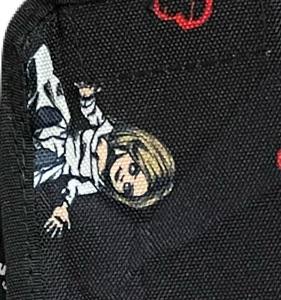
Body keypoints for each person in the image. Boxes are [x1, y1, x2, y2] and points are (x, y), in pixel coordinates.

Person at [28, 43, 175, 234]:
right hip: (59, 131)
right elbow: (91, 114)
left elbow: (74, 186)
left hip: (56, 162)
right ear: (135, 149)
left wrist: (62, 207)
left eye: (127, 188)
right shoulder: (107, 131)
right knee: (48, 89)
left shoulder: (98, 183)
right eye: (133, 169)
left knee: (29, 172)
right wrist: (87, 97)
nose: (124, 178)